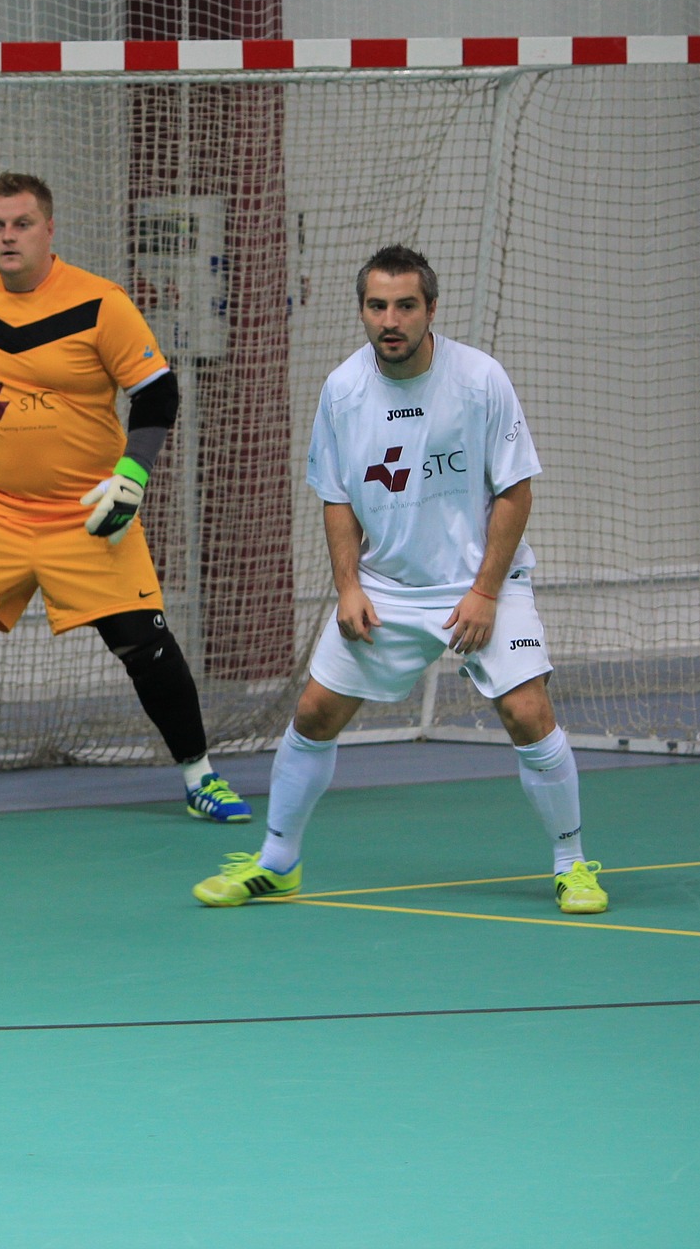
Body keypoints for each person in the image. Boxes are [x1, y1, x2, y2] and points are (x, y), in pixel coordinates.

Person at [191, 245, 608, 914]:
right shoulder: (343, 390)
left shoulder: (480, 380)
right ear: (362, 310)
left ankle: (573, 864)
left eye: (405, 305)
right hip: (386, 586)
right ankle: (277, 862)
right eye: (377, 305)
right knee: (314, 712)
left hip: (480, 580)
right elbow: (335, 496)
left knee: (526, 711)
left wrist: (486, 592)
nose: (391, 319)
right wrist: (349, 587)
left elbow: (515, 491)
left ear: (431, 310)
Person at [0, 171, 251, 831]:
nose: (8, 237)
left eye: (22, 224)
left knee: (145, 646)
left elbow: (156, 394)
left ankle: (201, 778)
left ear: (49, 229)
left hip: (85, 516)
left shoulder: (100, 303)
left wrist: (131, 476)